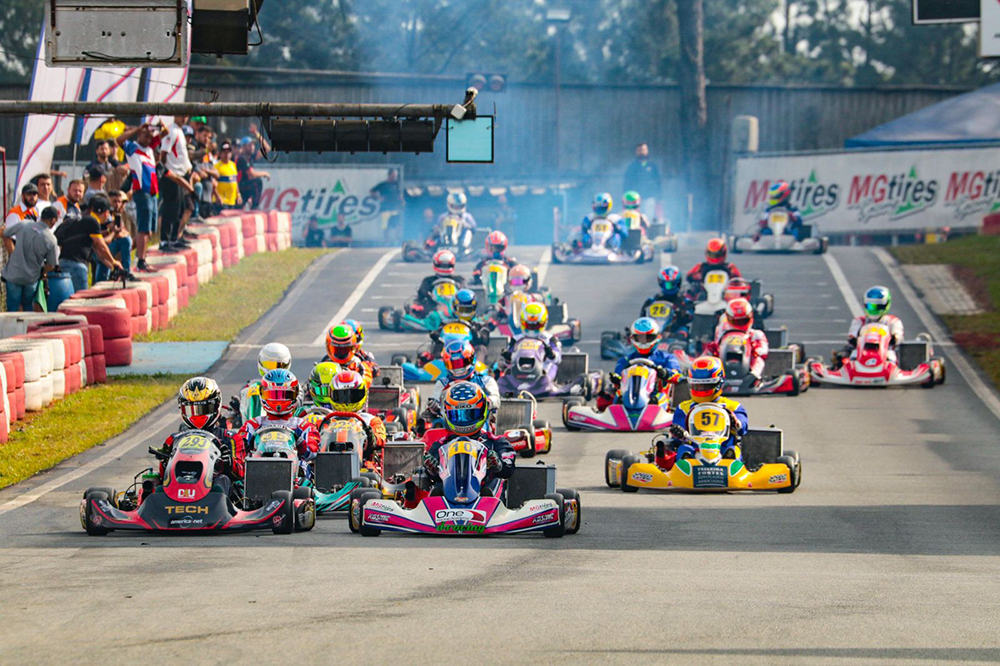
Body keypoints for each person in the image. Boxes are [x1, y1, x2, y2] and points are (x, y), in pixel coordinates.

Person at [422, 382, 515, 494]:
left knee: (497, 482)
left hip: (486, 497)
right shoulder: (442, 444)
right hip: (447, 498)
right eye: (457, 415)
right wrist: (432, 469)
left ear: (482, 411)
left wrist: (498, 465)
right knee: (435, 489)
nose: (463, 421)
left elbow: (508, 469)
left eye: (469, 414)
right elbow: (432, 475)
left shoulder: (497, 442)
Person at [662, 356, 748, 470]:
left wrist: (736, 423)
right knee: (684, 449)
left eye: (706, 385)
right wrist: (679, 433)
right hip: (695, 448)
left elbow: (743, 427)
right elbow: (678, 432)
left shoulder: (732, 406)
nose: (701, 388)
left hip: (721, 448)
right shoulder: (683, 408)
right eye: (698, 385)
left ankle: (730, 464)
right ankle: (686, 465)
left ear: (718, 383)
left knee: (732, 449)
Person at [154, 377, 244, 482]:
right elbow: (164, 477)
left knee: (222, 481)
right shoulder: (174, 440)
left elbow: (241, 473)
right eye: (191, 409)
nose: (198, 415)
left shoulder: (230, 438)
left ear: (216, 405)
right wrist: (164, 462)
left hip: (216, 491)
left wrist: (229, 463)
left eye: (204, 409)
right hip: (180, 488)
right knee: (158, 489)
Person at [234, 369, 320, 470]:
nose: (278, 400)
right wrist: (245, 447)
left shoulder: (303, 426)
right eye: (273, 395)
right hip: (259, 472)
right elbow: (237, 451)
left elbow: (314, 452)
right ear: (262, 395)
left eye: (284, 395)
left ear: (295, 395)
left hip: (296, 477)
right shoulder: (252, 425)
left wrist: (303, 447)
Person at [597, 316, 682, 411]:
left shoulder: (667, 358)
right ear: (633, 338)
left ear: (657, 337)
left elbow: (678, 376)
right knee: (618, 395)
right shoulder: (625, 360)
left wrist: (665, 373)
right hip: (629, 395)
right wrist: (617, 380)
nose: (644, 341)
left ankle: (655, 418)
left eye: (648, 338)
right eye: (640, 338)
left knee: (659, 398)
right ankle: (617, 418)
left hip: (655, 396)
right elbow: (618, 378)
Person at [117, 123, 164, 272]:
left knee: (149, 230)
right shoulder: (133, 148)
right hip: (141, 191)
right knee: (143, 228)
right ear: (139, 135)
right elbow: (118, 140)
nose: (149, 139)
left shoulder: (150, 149)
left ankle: (136, 256)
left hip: (152, 192)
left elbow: (165, 132)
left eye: (151, 137)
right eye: (146, 135)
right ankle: (140, 260)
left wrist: (159, 126)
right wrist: (138, 128)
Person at [54, 195, 123, 291]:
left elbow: (98, 252)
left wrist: (112, 266)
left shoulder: (83, 218)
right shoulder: (93, 222)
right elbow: (101, 246)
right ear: (106, 213)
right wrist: (114, 261)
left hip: (63, 262)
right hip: (76, 265)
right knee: (81, 300)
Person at [2, 205, 58, 312]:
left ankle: (11, 329)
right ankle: (26, 328)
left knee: (12, 310)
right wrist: (42, 270)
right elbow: (51, 266)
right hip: (31, 279)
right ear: (53, 220)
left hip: (13, 275)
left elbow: (5, 233)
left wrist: (13, 253)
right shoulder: (51, 240)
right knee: (28, 308)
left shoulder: (23, 224)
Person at [328, 370, 387, 470]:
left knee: (369, 469)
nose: (347, 402)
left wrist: (371, 438)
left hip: (362, 466)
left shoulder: (371, 420)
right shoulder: (326, 420)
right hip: (327, 464)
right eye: (342, 396)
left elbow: (381, 439)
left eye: (352, 396)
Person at [704, 297, 768, 384]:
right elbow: (715, 346)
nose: (740, 325)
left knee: (759, 360)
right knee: (707, 356)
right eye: (736, 322)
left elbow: (764, 348)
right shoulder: (721, 331)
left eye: (744, 321)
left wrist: (757, 350)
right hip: (723, 360)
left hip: (748, 365)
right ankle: (704, 376)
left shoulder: (756, 334)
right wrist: (712, 348)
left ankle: (753, 377)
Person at [428, 340, 500, 415]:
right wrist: (434, 406)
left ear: (471, 359)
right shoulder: (442, 383)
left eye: (461, 363)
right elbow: (435, 400)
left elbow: (496, 400)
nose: (458, 369)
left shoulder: (486, 381)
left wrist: (487, 401)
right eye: (454, 365)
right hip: (450, 422)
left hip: (480, 421)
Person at [159, 116, 196, 251]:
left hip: (179, 175)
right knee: (170, 208)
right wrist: (165, 170)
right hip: (171, 175)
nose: (184, 118)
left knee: (179, 208)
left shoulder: (179, 131)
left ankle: (174, 238)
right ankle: (164, 240)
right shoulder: (172, 131)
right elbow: (164, 152)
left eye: (186, 116)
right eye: (182, 115)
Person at [843, 286, 904, 363]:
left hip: (885, 352)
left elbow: (898, 337)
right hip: (862, 353)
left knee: (891, 357)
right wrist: (854, 340)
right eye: (871, 306)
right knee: (852, 357)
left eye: (877, 307)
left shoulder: (893, 321)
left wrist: (894, 339)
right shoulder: (859, 321)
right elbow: (852, 337)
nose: (874, 310)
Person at [237, 342, 292, 425]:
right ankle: (253, 427)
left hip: (288, 428)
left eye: (278, 365)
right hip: (258, 431)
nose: (273, 370)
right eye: (269, 364)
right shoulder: (251, 387)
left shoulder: (293, 387)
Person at [640, 266, 693, 338]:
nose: (670, 287)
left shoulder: (684, 302)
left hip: (675, 330)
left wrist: (682, 314)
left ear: (678, 283)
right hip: (654, 331)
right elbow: (642, 317)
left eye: (673, 284)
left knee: (683, 332)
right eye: (668, 285)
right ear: (661, 283)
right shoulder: (652, 301)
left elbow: (690, 317)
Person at [94, 191, 134, 283]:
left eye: (119, 202)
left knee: (127, 241)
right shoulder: (105, 215)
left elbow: (122, 232)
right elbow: (117, 233)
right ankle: (125, 272)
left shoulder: (116, 216)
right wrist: (112, 231)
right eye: (114, 201)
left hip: (107, 247)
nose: (117, 204)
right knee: (126, 241)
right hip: (99, 248)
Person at [623, 142, 661, 219]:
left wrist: (659, 196)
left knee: (649, 217)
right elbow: (627, 182)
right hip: (635, 198)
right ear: (636, 151)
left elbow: (658, 181)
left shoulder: (652, 166)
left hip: (650, 196)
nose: (642, 151)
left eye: (643, 149)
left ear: (647, 151)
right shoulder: (632, 167)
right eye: (639, 150)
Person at [236, 131, 270, 210]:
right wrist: (264, 173)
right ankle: (255, 206)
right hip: (239, 187)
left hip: (245, 187)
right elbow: (251, 174)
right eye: (249, 145)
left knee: (238, 208)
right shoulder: (241, 158)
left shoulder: (250, 157)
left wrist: (257, 134)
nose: (252, 147)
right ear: (243, 147)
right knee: (257, 182)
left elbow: (267, 149)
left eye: (253, 145)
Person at [370, 168, 402, 242]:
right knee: (385, 226)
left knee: (397, 224)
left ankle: (395, 239)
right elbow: (372, 191)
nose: (394, 177)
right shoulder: (383, 184)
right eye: (393, 175)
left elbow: (399, 194)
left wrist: (401, 200)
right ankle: (386, 240)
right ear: (389, 175)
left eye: (395, 175)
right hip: (385, 208)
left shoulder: (396, 184)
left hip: (394, 207)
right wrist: (379, 197)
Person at [213, 141, 240, 213]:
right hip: (221, 202)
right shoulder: (216, 166)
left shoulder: (233, 165)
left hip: (231, 201)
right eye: (224, 152)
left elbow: (235, 181)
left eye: (228, 152)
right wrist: (217, 197)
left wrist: (238, 195)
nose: (226, 154)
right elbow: (213, 184)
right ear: (220, 153)